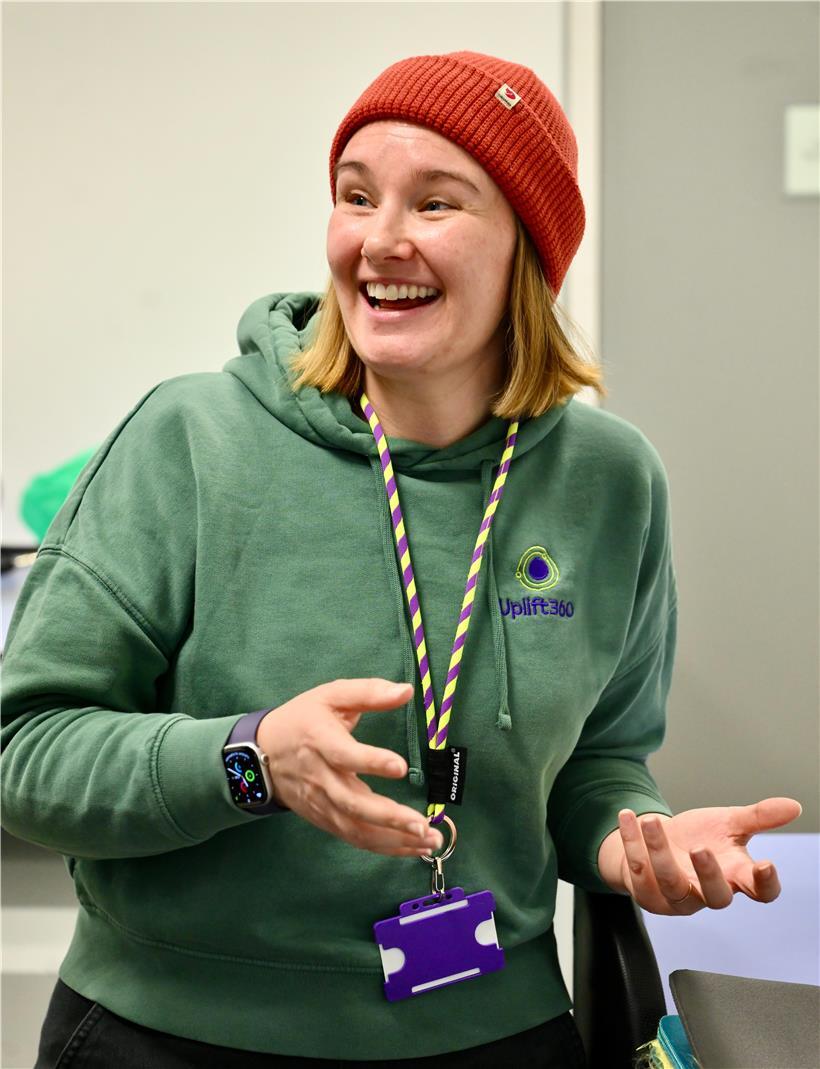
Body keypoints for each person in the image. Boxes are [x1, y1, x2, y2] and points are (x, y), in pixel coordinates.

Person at [1, 50, 801, 1069]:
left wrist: (637, 842)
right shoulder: (189, 440)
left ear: (528, 248)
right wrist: (247, 758)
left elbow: (598, 763)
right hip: (174, 1034)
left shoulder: (609, 479)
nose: (380, 240)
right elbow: (24, 750)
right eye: (354, 195)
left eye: (436, 203)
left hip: (492, 1031)